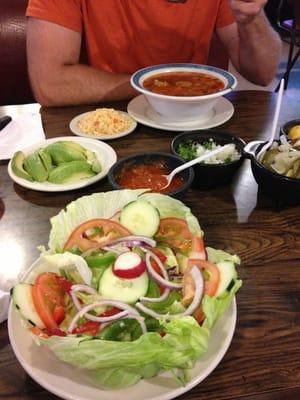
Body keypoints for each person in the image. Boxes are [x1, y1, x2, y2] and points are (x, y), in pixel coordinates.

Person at [26, 0, 281, 107]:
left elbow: (263, 72)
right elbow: (51, 84)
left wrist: (251, 18)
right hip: (107, 122)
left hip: (194, 121)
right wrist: (167, 88)